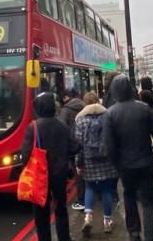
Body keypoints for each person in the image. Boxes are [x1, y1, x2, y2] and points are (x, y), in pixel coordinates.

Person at [103, 74, 153, 241]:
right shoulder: (144, 108)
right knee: (148, 202)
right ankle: (150, 236)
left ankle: (134, 232)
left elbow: (108, 145)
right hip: (146, 161)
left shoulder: (110, 114)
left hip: (125, 165)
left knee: (129, 196)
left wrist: (116, 164)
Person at [20, 92, 80, 241]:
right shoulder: (62, 125)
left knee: (41, 212)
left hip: (40, 175)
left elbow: (25, 155)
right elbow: (75, 147)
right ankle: (64, 237)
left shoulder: (32, 127)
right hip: (60, 174)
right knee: (61, 209)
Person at [75, 91, 118, 236]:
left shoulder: (80, 120)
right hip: (106, 159)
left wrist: (78, 164)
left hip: (89, 160)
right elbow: (113, 140)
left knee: (89, 188)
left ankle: (88, 217)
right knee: (106, 189)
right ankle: (107, 221)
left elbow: (78, 146)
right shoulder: (108, 116)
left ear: (85, 103)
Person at [59, 89, 86, 211]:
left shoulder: (65, 110)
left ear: (66, 97)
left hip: (73, 145)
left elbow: (62, 127)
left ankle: (81, 198)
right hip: (86, 142)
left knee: (77, 172)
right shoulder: (84, 105)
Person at [102, 70, 121, 202]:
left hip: (115, 132)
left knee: (114, 163)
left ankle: (113, 191)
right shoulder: (113, 93)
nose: (104, 81)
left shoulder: (110, 95)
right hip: (118, 132)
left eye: (106, 79)